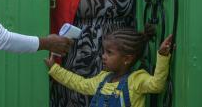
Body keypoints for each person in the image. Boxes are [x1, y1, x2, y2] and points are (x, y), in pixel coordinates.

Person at [45, 25, 173, 107]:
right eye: (104, 51)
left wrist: (162, 56)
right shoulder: (102, 79)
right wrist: (55, 69)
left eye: (109, 53)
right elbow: (79, 83)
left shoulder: (136, 80)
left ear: (127, 59)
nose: (103, 56)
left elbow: (157, 85)